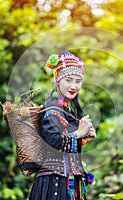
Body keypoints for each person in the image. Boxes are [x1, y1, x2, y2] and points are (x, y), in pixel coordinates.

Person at [29, 51, 96, 200]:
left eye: (78, 81)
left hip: (67, 180)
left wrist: (84, 139)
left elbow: (65, 145)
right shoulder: (52, 108)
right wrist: (79, 133)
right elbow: (53, 141)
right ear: (57, 80)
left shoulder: (66, 109)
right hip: (54, 181)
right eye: (69, 80)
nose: (74, 86)